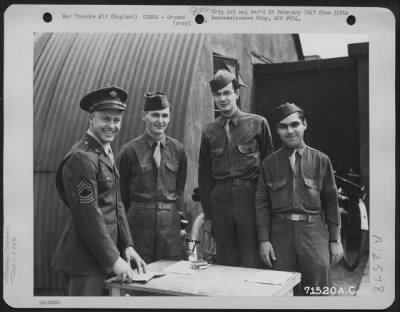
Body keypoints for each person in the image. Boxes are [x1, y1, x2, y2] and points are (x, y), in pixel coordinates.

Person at [53, 86, 147, 296]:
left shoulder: (104, 153)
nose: (112, 126)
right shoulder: (82, 158)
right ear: (91, 119)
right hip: (85, 263)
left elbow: (116, 204)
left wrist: (128, 245)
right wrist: (114, 259)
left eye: (116, 120)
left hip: (105, 258)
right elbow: (88, 217)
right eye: (106, 119)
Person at [255, 102, 343, 295]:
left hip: (313, 234)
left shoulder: (321, 160)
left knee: (318, 289)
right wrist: (264, 240)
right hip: (280, 235)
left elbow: (330, 203)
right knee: (282, 291)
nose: (290, 131)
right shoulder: (269, 164)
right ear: (277, 130)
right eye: (283, 126)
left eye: (295, 124)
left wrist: (335, 240)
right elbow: (262, 205)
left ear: (304, 125)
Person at [198, 69, 274, 268]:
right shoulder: (209, 131)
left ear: (237, 94)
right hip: (220, 201)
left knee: (251, 259)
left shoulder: (258, 124)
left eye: (227, 93)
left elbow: (269, 171)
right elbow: (205, 176)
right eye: (218, 94)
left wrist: (267, 211)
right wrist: (208, 216)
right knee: (226, 260)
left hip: (249, 199)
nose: (222, 99)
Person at [116, 92, 187, 264]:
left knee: (169, 273)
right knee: (139, 273)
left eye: (164, 115)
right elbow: (120, 195)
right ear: (144, 116)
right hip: (139, 223)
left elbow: (179, 189)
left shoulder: (178, 150)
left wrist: (180, 224)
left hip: (169, 223)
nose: (160, 121)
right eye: (155, 115)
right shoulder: (129, 151)